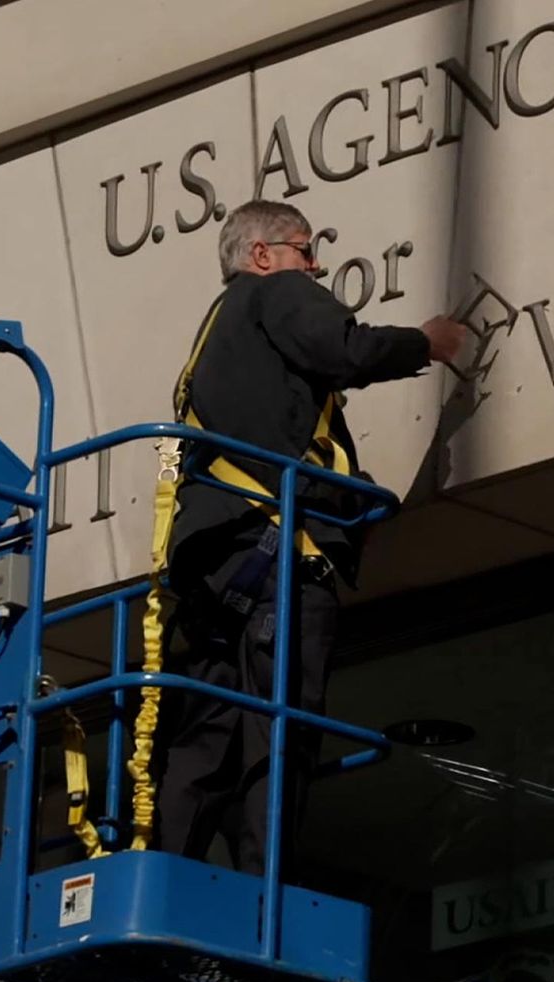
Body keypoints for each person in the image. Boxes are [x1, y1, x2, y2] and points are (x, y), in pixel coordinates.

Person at [155, 199, 466, 875]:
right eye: (304, 249)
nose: (314, 264)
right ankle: (261, 900)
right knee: (281, 728)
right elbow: (342, 349)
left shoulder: (206, 351)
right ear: (262, 256)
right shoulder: (276, 293)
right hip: (278, 558)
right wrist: (426, 342)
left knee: (207, 734)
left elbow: (176, 460)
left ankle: (166, 880)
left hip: (213, 563)